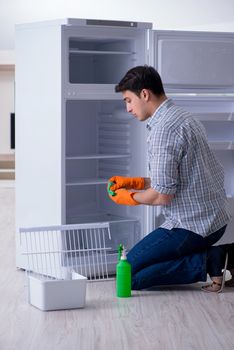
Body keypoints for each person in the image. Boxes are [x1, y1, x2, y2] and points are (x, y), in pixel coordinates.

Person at [107, 65, 233, 292]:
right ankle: (213, 257)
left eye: (128, 100)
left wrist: (130, 197)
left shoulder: (164, 130)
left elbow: (162, 195)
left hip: (192, 225)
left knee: (126, 276)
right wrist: (135, 182)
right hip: (215, 218)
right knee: (143, 265)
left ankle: (214, 259)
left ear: (144, 94)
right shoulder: (182, 116)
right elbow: (175, 176)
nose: (127, 108)